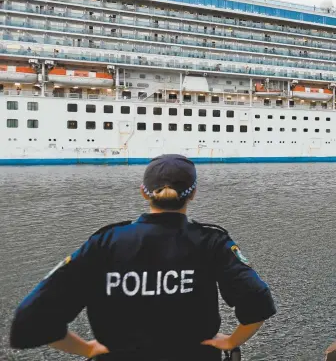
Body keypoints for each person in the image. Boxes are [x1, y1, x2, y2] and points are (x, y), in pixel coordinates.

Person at [10, 154, 276, 360]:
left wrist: (88, 349)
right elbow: (258, 301)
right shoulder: (212, 241)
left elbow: (33, 318)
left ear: (143, 191)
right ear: (193, 193)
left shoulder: (105, 243)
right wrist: (231, 341)